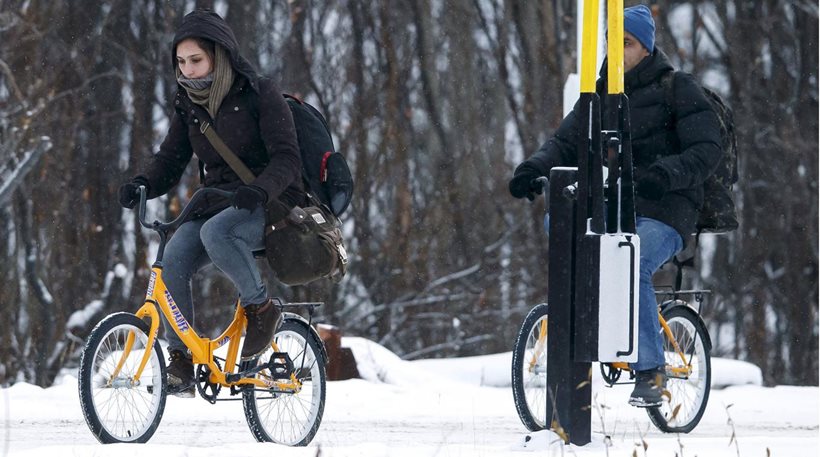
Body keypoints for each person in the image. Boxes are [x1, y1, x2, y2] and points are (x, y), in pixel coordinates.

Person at [508, 5, 721, 407]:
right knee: (563, 225)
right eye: (612, 41)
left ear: (646, 47)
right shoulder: (601, 91)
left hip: (667, 209)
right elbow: (564, 141)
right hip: (618, 203)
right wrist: (532, 168)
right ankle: (584, 332)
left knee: (629, 257)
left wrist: (667, 174)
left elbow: (707, 148)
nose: (617, 49)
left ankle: (651, 370)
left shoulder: (677, 88)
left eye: (627, 42)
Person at [117, 9, 305, 397]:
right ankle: (183, 359)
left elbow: (288, 157)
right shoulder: (188, 103)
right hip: (218, 202)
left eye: (196, 60)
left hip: (270, 203)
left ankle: (262, 309)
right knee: (174, 256)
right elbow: (171, 159)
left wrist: (261, 189)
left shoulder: (259, 93)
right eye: (181, 63)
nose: (188, 71)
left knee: (218, 232)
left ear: (220, 55)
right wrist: (142, 184)